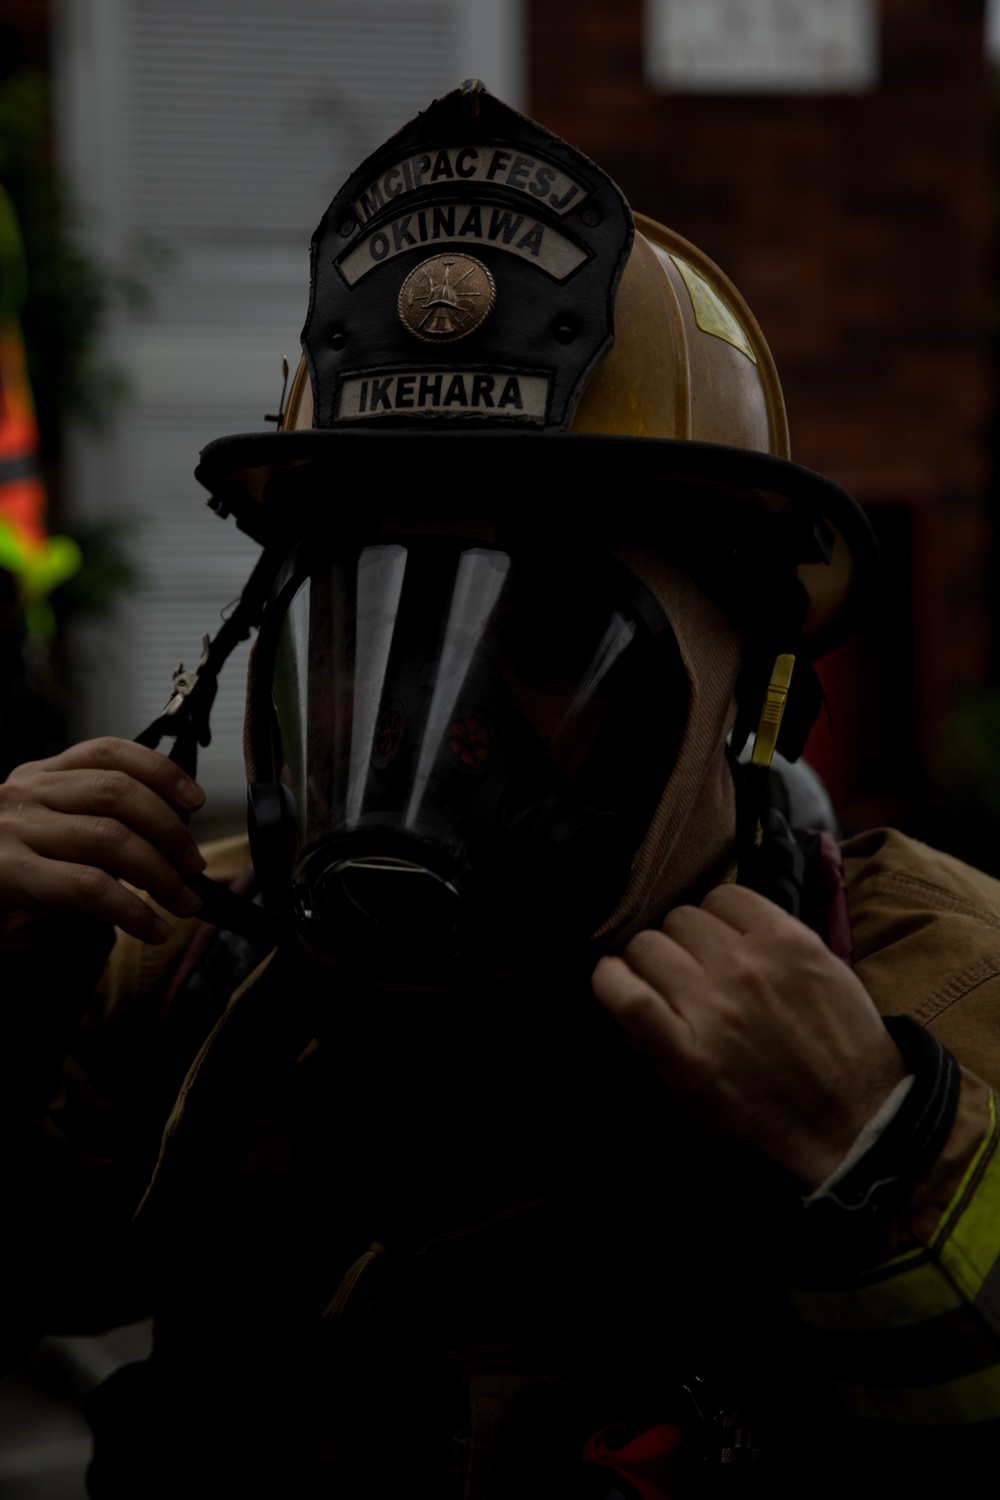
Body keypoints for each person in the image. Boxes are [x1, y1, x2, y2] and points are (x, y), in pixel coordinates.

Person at [1, 82, 998, 1498]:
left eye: (536, 636)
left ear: (741, 686)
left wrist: (884, 1161)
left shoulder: (931, 990)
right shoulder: (191, 960)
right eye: (364, 622)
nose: (432, 716)